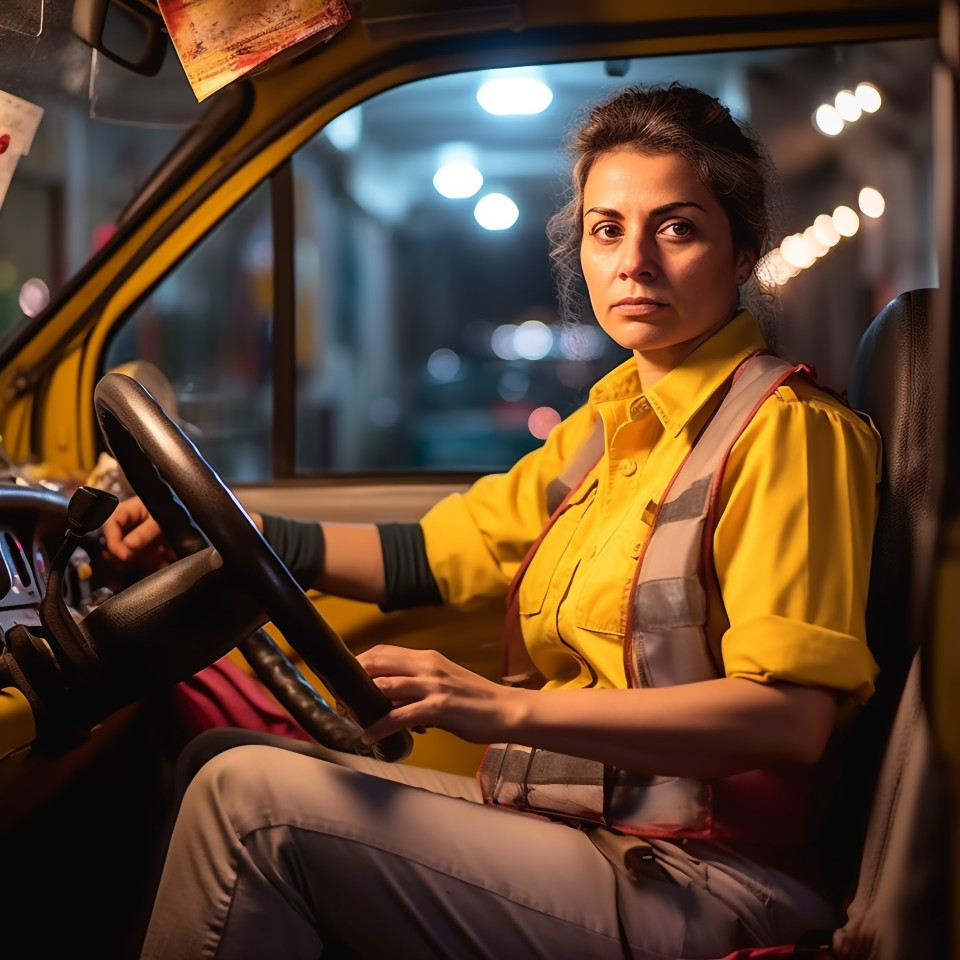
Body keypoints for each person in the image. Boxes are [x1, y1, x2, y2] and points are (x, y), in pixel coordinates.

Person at [103, 82, 881, 960]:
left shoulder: (793, 432)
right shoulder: (603, 431)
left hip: (705, 874)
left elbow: (789, 720)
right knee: (220, 756)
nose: (635, 262)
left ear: (742, 252)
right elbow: (437, 554)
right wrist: (227, 529)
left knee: (247, 805)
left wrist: (502, 709)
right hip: (584, 828)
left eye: (678, 226)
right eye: (607, 228)